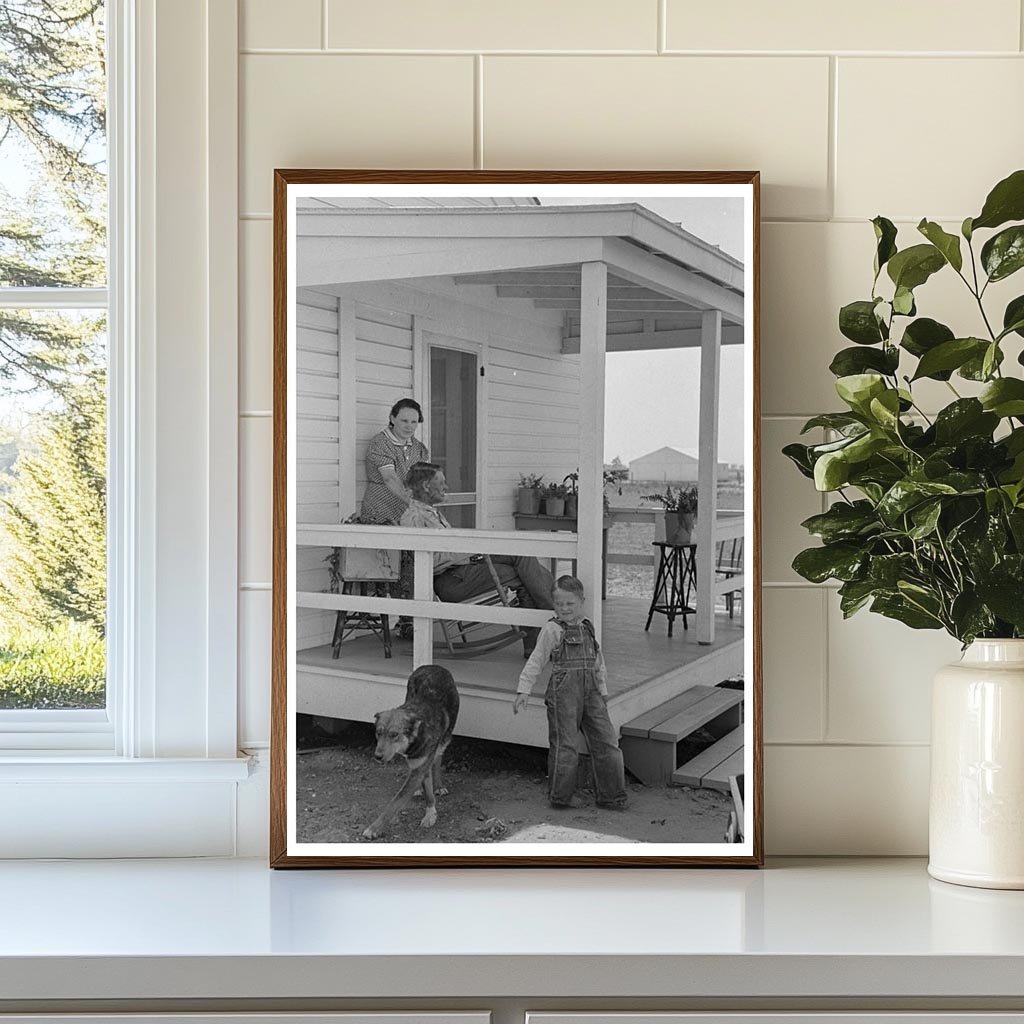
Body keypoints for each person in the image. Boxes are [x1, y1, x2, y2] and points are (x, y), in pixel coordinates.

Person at [399, 462, 556, 656]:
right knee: (527, 574)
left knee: (524, 559)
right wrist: (467, 548)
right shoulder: (413, 518)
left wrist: (470, 549)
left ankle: (542, 635)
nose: (446, 487)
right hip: (451, 581)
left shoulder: (431, 512)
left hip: (465, 569)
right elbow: (427, 560)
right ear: (425, 486)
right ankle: (556, 621)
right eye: (441, 482)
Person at [513, 576, 627, 810]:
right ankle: (561, 796)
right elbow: (537, 659)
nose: (564, 608)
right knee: (565, 746)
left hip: (592, 692)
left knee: (607, 741)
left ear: (581, 602)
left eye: (569, 604)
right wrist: (524, 689)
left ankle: (612, 795)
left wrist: (603, 690)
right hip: (563, 695)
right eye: (558, 603)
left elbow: (598, 661)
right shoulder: (552, 629)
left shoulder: (588, 626)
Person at [360, 398, 429, 525]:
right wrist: (414, 503)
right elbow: (390, 478)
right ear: (392, 419)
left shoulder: (418, 447)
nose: (409, 426)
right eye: (404, 421)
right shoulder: (381, 443)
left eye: (414, 422)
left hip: (408, 515)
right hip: (381, 513)